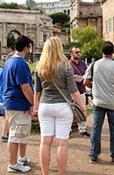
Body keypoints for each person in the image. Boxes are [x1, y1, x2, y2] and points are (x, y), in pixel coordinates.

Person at [33, 37, 87, 175]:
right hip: (63, 106)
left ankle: (45, 173)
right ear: (59, 49)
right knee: (61, 144)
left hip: (45, 106)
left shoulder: (40, 66)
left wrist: (35, 108)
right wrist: (83, 108)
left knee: (45, 142)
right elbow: (74, 91)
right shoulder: (65, 66)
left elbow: (37, 92)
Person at [84, 41, 114, 165]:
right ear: (113, 52)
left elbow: (86, 81)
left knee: (97, 129)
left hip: (98, 102)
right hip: (113, 103)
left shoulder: (94, 65)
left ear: (101, 52)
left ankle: (93, 154)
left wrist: (94, 87)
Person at [1, 35, 35, 173]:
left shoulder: (9, 61)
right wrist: (34, 103)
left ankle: (22, 157)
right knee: (16, 134)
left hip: (14, 102)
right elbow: (25, 86)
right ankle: (13, 164)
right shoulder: (20, 64)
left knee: (22, 132)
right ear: (26, 48)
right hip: (17, 103)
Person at [69, 46, 90, 137]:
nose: (78, 53)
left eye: (79, 52)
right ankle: (68, 130)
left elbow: (87, 74)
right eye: (76, 52)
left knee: (81, 110)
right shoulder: (67, 64)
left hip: (81, 90)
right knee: (69, 111)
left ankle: (82, 129)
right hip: (70, 91)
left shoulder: (83, 64)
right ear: (71, 54)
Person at [0, 53, 13, 142]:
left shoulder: (1, 71)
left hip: (1, 96)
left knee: (4, 116)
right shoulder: (8, 71)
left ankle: (7, 132)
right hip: (6, 97)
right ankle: (4, 134)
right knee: (7, 116)